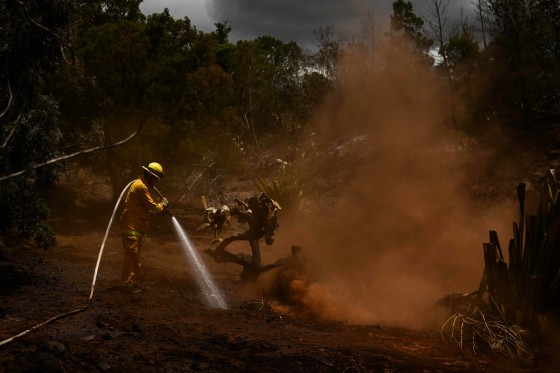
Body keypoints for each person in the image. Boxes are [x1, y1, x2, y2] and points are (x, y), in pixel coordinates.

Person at [119, 162, 169, 290]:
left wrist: (161, 211)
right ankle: (126, 283)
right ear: (148, 175)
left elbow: (145, 208)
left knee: (134, 255)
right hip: (131, 225)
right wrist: (162, 204)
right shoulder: (141, 187)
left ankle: (132, 282)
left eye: (157, 179)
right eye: (155, 178)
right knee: (132, 254)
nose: (156, 181)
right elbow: (152, 206)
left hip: (137, 226)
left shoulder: (142, 185)